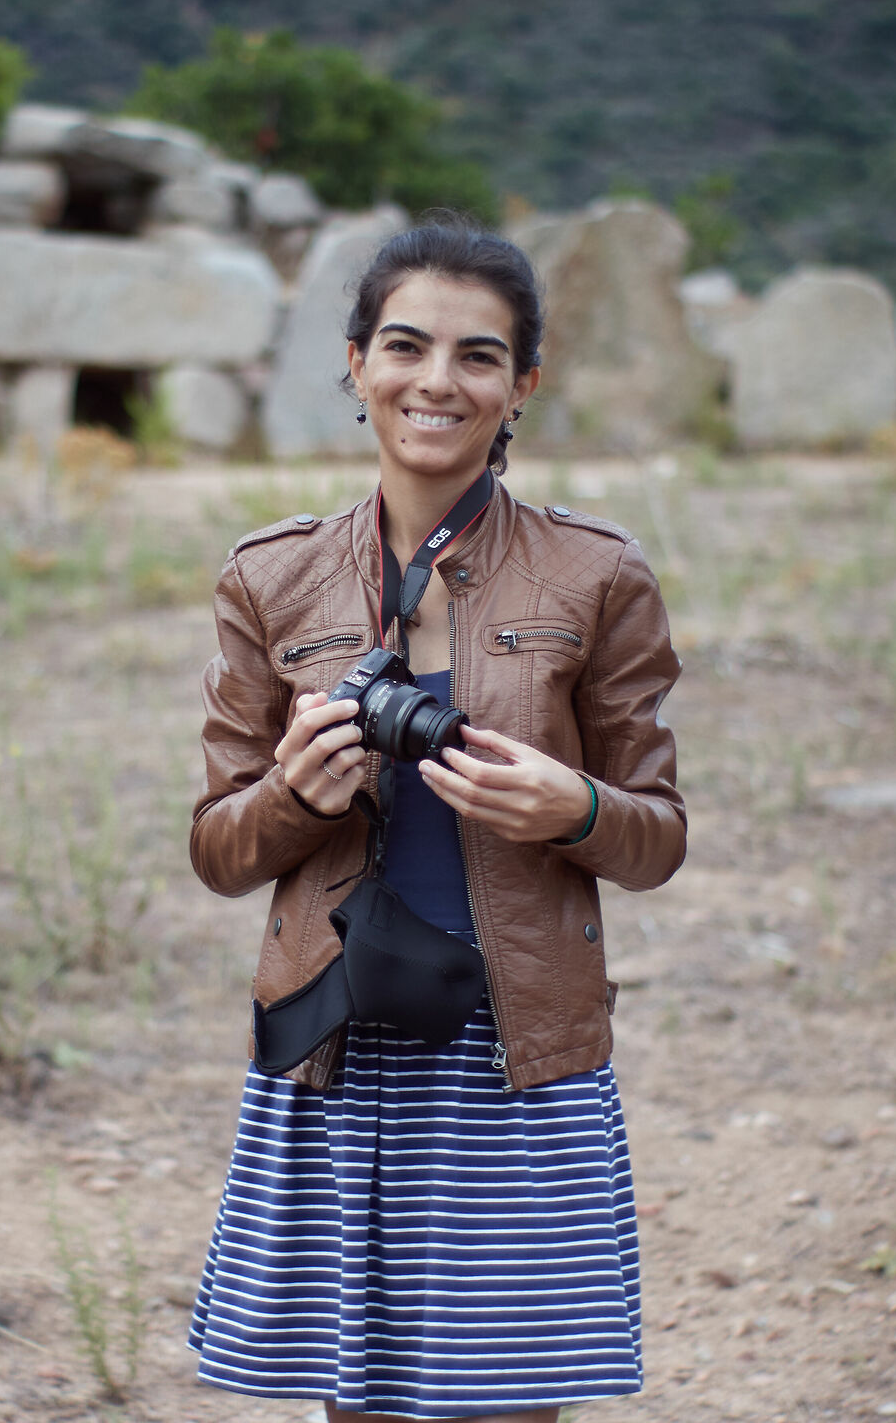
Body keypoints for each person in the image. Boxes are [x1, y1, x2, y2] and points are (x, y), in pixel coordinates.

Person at [185, 217, 687, 1422]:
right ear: (356, 362)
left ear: (521, 385)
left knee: (513, 1403)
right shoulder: (272, 578)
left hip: (515, 1056)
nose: (436, 381)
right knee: (356, 1405)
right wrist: (291, 795)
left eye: (477, 355)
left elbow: (657, 832)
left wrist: (575, 810)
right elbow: (216, 846)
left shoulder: (595, 575)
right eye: (405, 346)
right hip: (342, 1045)